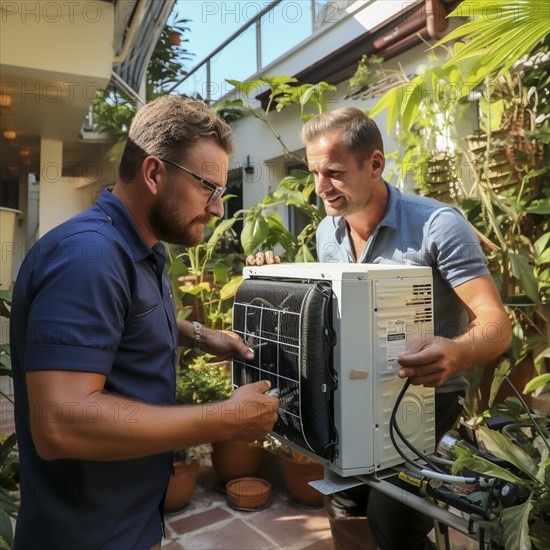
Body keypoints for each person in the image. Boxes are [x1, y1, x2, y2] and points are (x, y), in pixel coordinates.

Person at [10, 95, 279, 550]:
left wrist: (196, 334)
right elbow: (61, 422)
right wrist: (225, 418)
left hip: (130, 525)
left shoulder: (139, 247)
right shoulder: (88, 258)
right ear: (154, 173)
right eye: (208, 187)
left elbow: (119, 321)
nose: (217, 209)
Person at [301, 107, 512, 550]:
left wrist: (455, 352)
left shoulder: (438, 225)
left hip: (426, 400)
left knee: (393, 523)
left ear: (375, 164)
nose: (321, 188)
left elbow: (496, 324)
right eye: (314, 172)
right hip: (351, 395)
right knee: (344, 501)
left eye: (334, 173)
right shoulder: (326, 232)